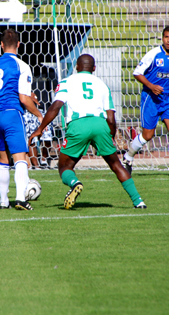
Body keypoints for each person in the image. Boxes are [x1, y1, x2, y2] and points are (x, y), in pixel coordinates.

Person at [29, 54, 146, 210]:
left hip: (78, 125)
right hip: (100, 124)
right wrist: (109, 137)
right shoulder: (102, 85)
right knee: (116, 164)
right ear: (94, 68)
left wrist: (40, 129)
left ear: (77, 67)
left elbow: (55, 107)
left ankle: (75, 183)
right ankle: (138, 201)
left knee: (64, 166)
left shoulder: (67, 82)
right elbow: (111, 117)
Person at [0, 28, 43, 210]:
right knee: (20, 157)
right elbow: (24, 98)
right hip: (11, 113)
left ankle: (3, 202)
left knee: (2, 158)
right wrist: (39, 115)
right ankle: (20, 199)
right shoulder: (22, 66)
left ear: (1, 45)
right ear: (18, 44)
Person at [122, 26, 169, 176]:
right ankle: (128, 158)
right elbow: (137, 73)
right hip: (151, 98)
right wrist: (151, 86)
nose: (168, 40)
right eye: (166, 37)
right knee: (147, 135)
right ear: (162, 38)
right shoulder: (153, 54)